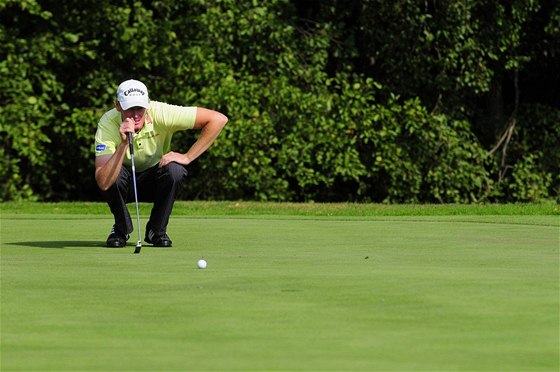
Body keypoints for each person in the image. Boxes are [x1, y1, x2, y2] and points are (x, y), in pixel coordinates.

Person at [94, 79, 228, 248]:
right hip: (124, 182)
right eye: (130, 109)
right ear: (118, 106)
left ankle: (156, 231)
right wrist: (123, 145)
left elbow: (218, 119)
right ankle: (121, 230)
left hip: (154, 179)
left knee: (175, 170)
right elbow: (103, 181)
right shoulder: (107, 122)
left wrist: (188, 157)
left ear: (148, 104)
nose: (135, 115)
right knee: (111, 174)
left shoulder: (161, 112)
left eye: (140, 108)